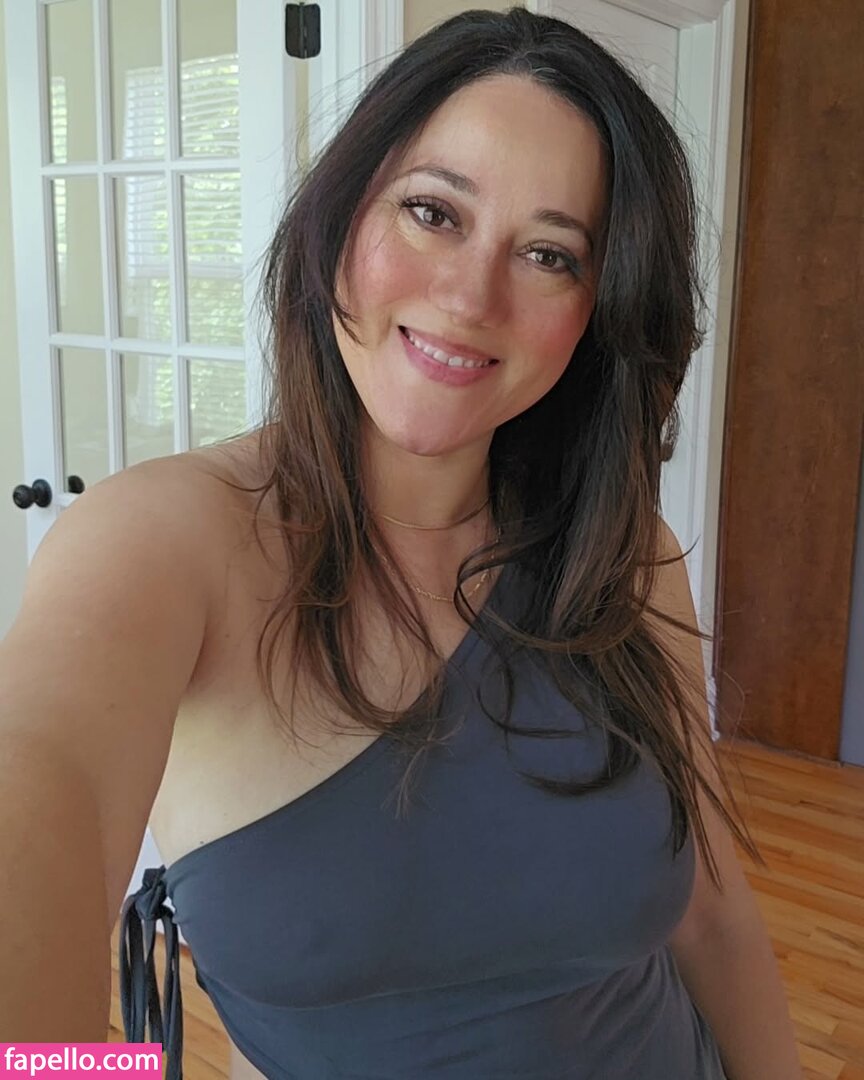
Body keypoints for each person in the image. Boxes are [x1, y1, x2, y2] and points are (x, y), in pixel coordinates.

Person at [0, 7, 803, 1079]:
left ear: (599, 311)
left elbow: (710, 912)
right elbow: (37, 780)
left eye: (550, 254)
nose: (470, 298)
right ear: (340, 218)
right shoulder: (159, 544)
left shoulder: (625, 556)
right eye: (433, 211)